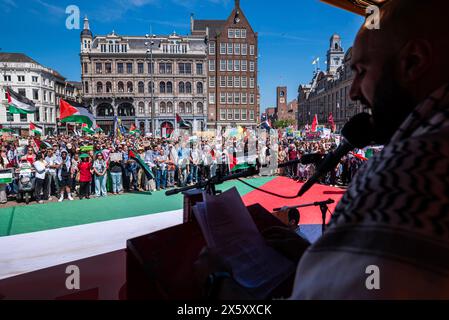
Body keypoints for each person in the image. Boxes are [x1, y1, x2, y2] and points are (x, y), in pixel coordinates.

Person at [290, 0, 449, 299]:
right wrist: (318, 259)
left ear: (413, 62)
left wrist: (222, 283)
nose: (352, 91)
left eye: (362, 71)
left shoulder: (410, 170)